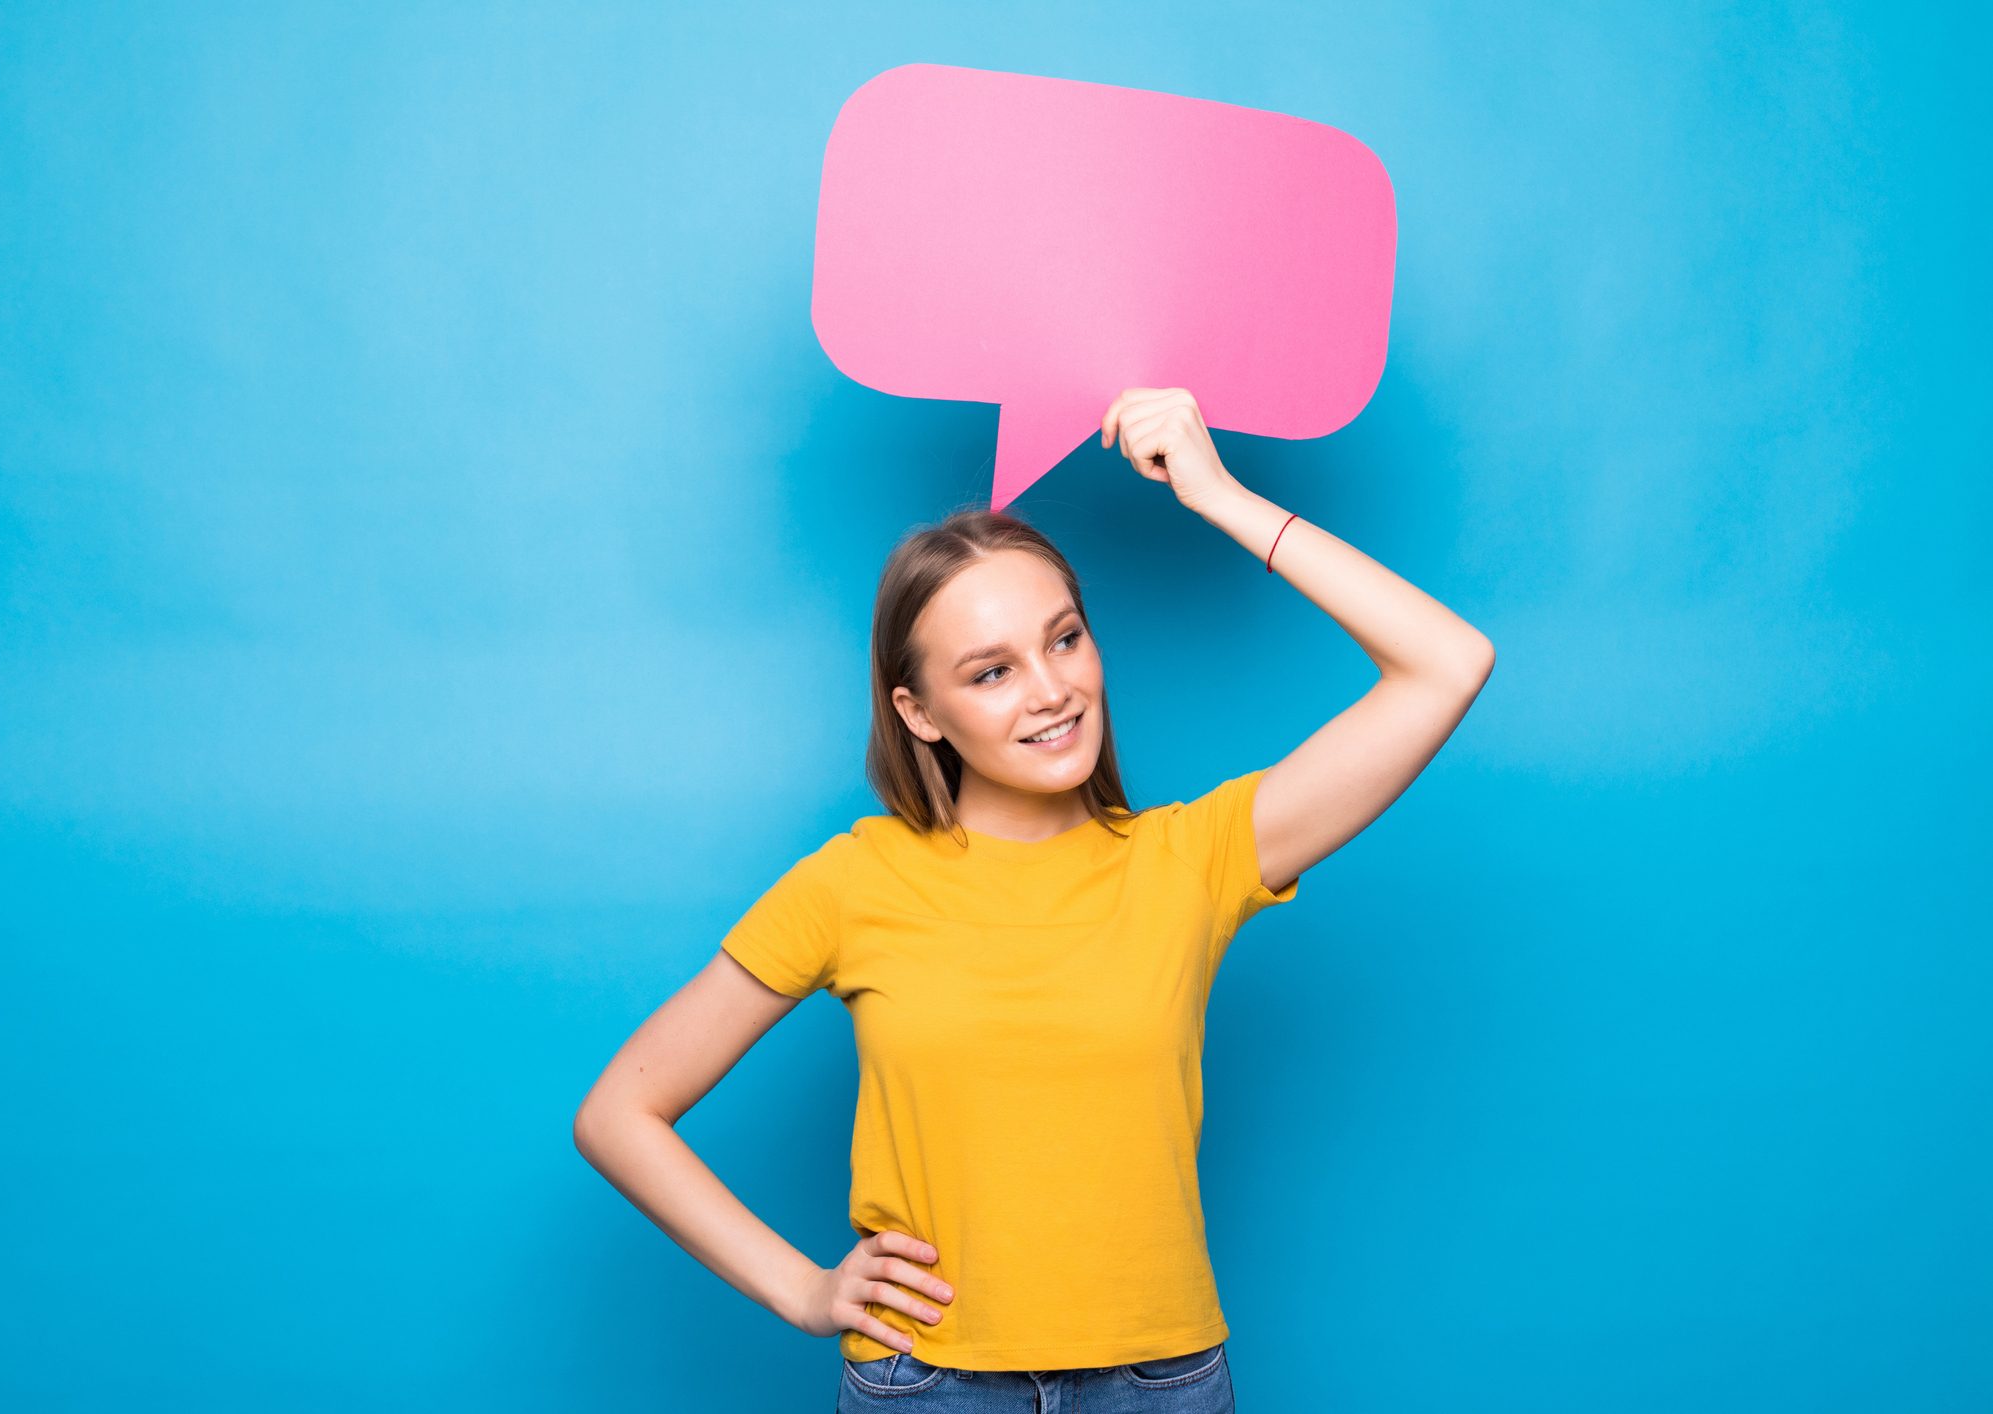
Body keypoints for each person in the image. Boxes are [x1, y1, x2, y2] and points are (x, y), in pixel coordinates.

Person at [574, 388, 1494, 1410]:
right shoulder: (854, 882)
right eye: (991, 672)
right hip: (926, 1384)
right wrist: (804, 1289)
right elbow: (621, 1112)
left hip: (1162, 1382)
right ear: (918, 712)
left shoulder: (1192, 857)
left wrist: (1218, 493)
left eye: (1064, 639)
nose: (1050, 690)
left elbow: (1448, 663)